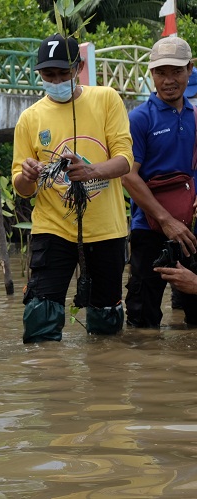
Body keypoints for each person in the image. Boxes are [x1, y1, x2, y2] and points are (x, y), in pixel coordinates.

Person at [12, 34, 133, 343]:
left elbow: (124, 160)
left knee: (106, 315)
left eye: (63, 73)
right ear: (39, 74)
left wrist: (90, 169)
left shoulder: (106, 98)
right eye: (48, 75)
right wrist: (27, 174)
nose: (56, 80)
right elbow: (22, 188)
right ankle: (49, 381)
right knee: (40, 311)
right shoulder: (30, 118)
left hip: (105, 227)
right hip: (53, 227)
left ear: (78, 68)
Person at [122, 37, 197, 327]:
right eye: (161, 72)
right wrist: (165, 220)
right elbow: (128, 175)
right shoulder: (139, 119)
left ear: (190, 70)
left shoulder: (195, 117)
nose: (168, 80)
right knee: (143, 320)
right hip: (149, 229)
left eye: (176, 71)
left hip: (190, 231)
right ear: (151, 73)